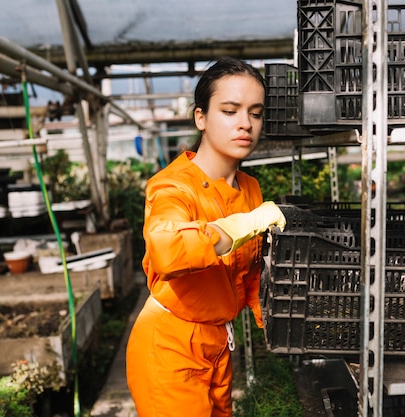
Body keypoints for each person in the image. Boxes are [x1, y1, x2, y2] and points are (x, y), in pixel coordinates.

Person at [125, 56, 286, 417]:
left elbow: (249, 275)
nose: (245, 124)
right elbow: (169, 251)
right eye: (229, 111)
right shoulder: (172, 187)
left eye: (255, 113)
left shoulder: (250, 189)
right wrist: (241, 226)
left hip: (217, 344)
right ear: (201, 117)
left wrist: (291, 325)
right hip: (170, 344)